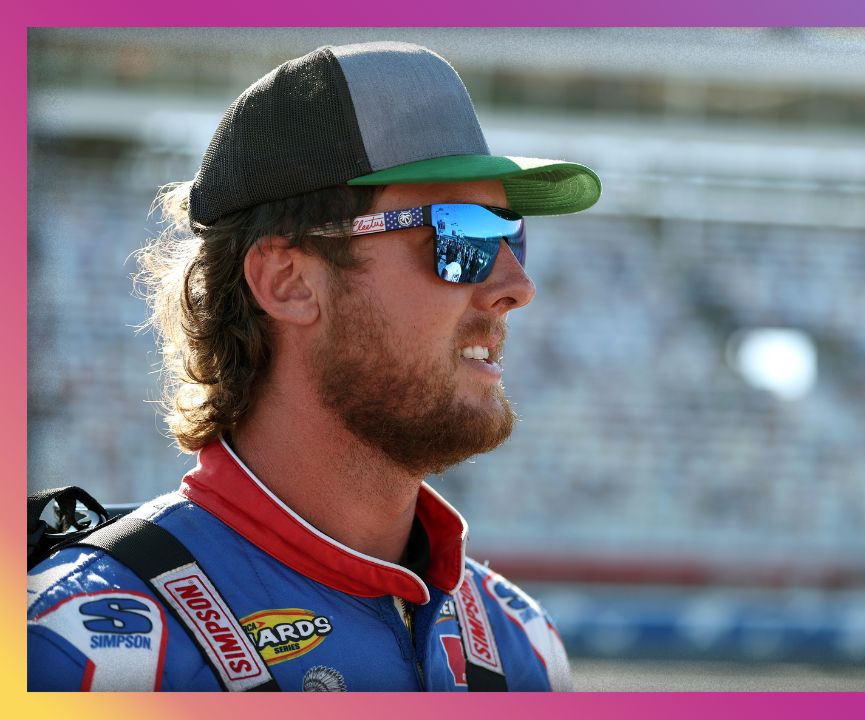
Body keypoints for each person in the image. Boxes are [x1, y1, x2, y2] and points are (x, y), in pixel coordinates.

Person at [27, 41, 600, 692]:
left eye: (510, 234)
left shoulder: (519, 645)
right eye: (461, 235)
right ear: (289, 281)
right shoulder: (81, 651)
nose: (517, 284)